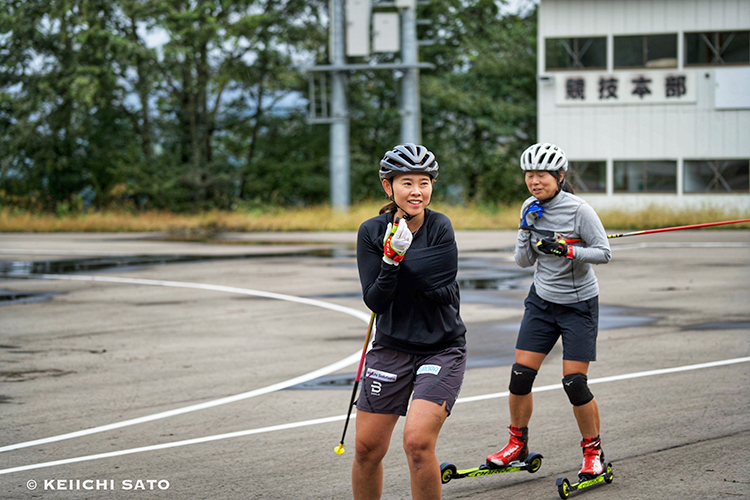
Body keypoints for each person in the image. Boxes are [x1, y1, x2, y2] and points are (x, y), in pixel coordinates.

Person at [486, 143, 612, 480]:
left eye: (541, 175)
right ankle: (517, 445)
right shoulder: (529, 207)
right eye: (529, 175)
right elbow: (523, 261)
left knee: (574, 383)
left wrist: (567, 251)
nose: (534, 181)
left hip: (578, 305)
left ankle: (594, 452)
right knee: (520, 377)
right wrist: (525, 229)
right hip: (542, 302)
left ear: (559, 176)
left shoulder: (579, 211)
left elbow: (603, 253)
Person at [352, 143, 467, 500]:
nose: (417, 191)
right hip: (391, 347)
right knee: (367, 449)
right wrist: (389, 262)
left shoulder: (440, 226)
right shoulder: (371, 231)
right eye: (407, 183)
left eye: (424, 182)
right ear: (388, 187)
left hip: (442, 349)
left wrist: (400, 258)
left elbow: (440, 284)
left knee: (417, 443)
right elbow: (375, 300)